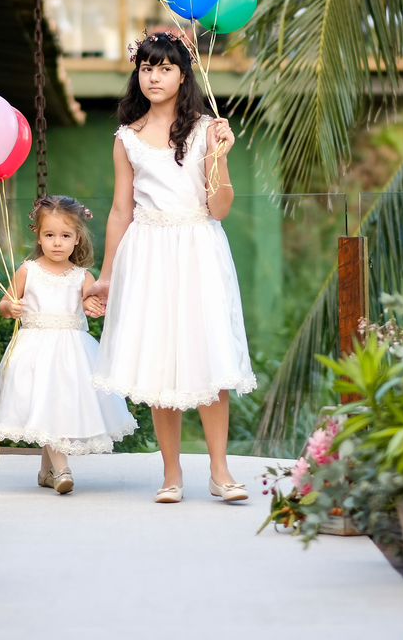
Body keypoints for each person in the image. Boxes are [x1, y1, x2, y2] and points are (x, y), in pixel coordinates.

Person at [85, 32, 256, 504]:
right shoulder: (127, 138)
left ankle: (220, 473)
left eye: (164, 68)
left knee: (208, 356)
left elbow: (219, 208)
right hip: (148, 252)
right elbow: (121, 210)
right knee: (161, 360)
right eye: (145, 68)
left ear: (183, 76)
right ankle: (171, 474)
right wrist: (106, 274)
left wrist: (220, 159)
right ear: (136, 74)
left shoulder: (205, 130)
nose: (153, 77)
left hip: (198, 247)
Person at [0, 195, 137, 494]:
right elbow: (4, 302)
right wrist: (11, 308)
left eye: (65, 236)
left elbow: (91, 303)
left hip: (72, 354)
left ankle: (47, 471)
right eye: (49, 235)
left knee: (56, 406)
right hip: (35, 350)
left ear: (77, 238)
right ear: (39, 236)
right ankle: (62, 469)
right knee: (46, 403)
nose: (57, 243)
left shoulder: (82, 276)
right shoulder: (27, 271)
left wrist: (94, 306)